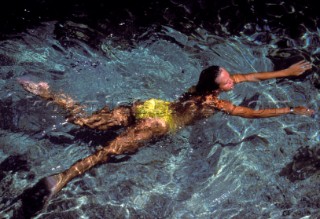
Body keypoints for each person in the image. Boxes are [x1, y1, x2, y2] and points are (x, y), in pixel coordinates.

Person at [18, 60, 314, 217]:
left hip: (153, 105)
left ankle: (50, 94)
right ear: (216, 85)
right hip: (158, 122)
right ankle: (60, 179)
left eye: (229, 78)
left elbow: (250, 77)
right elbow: (249, 115)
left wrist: (286, 71)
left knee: (86, 120)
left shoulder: (202, 87)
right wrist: (289, 109)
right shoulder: (214, 103)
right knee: (104, 153)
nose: (232, 81)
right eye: (227, 81)